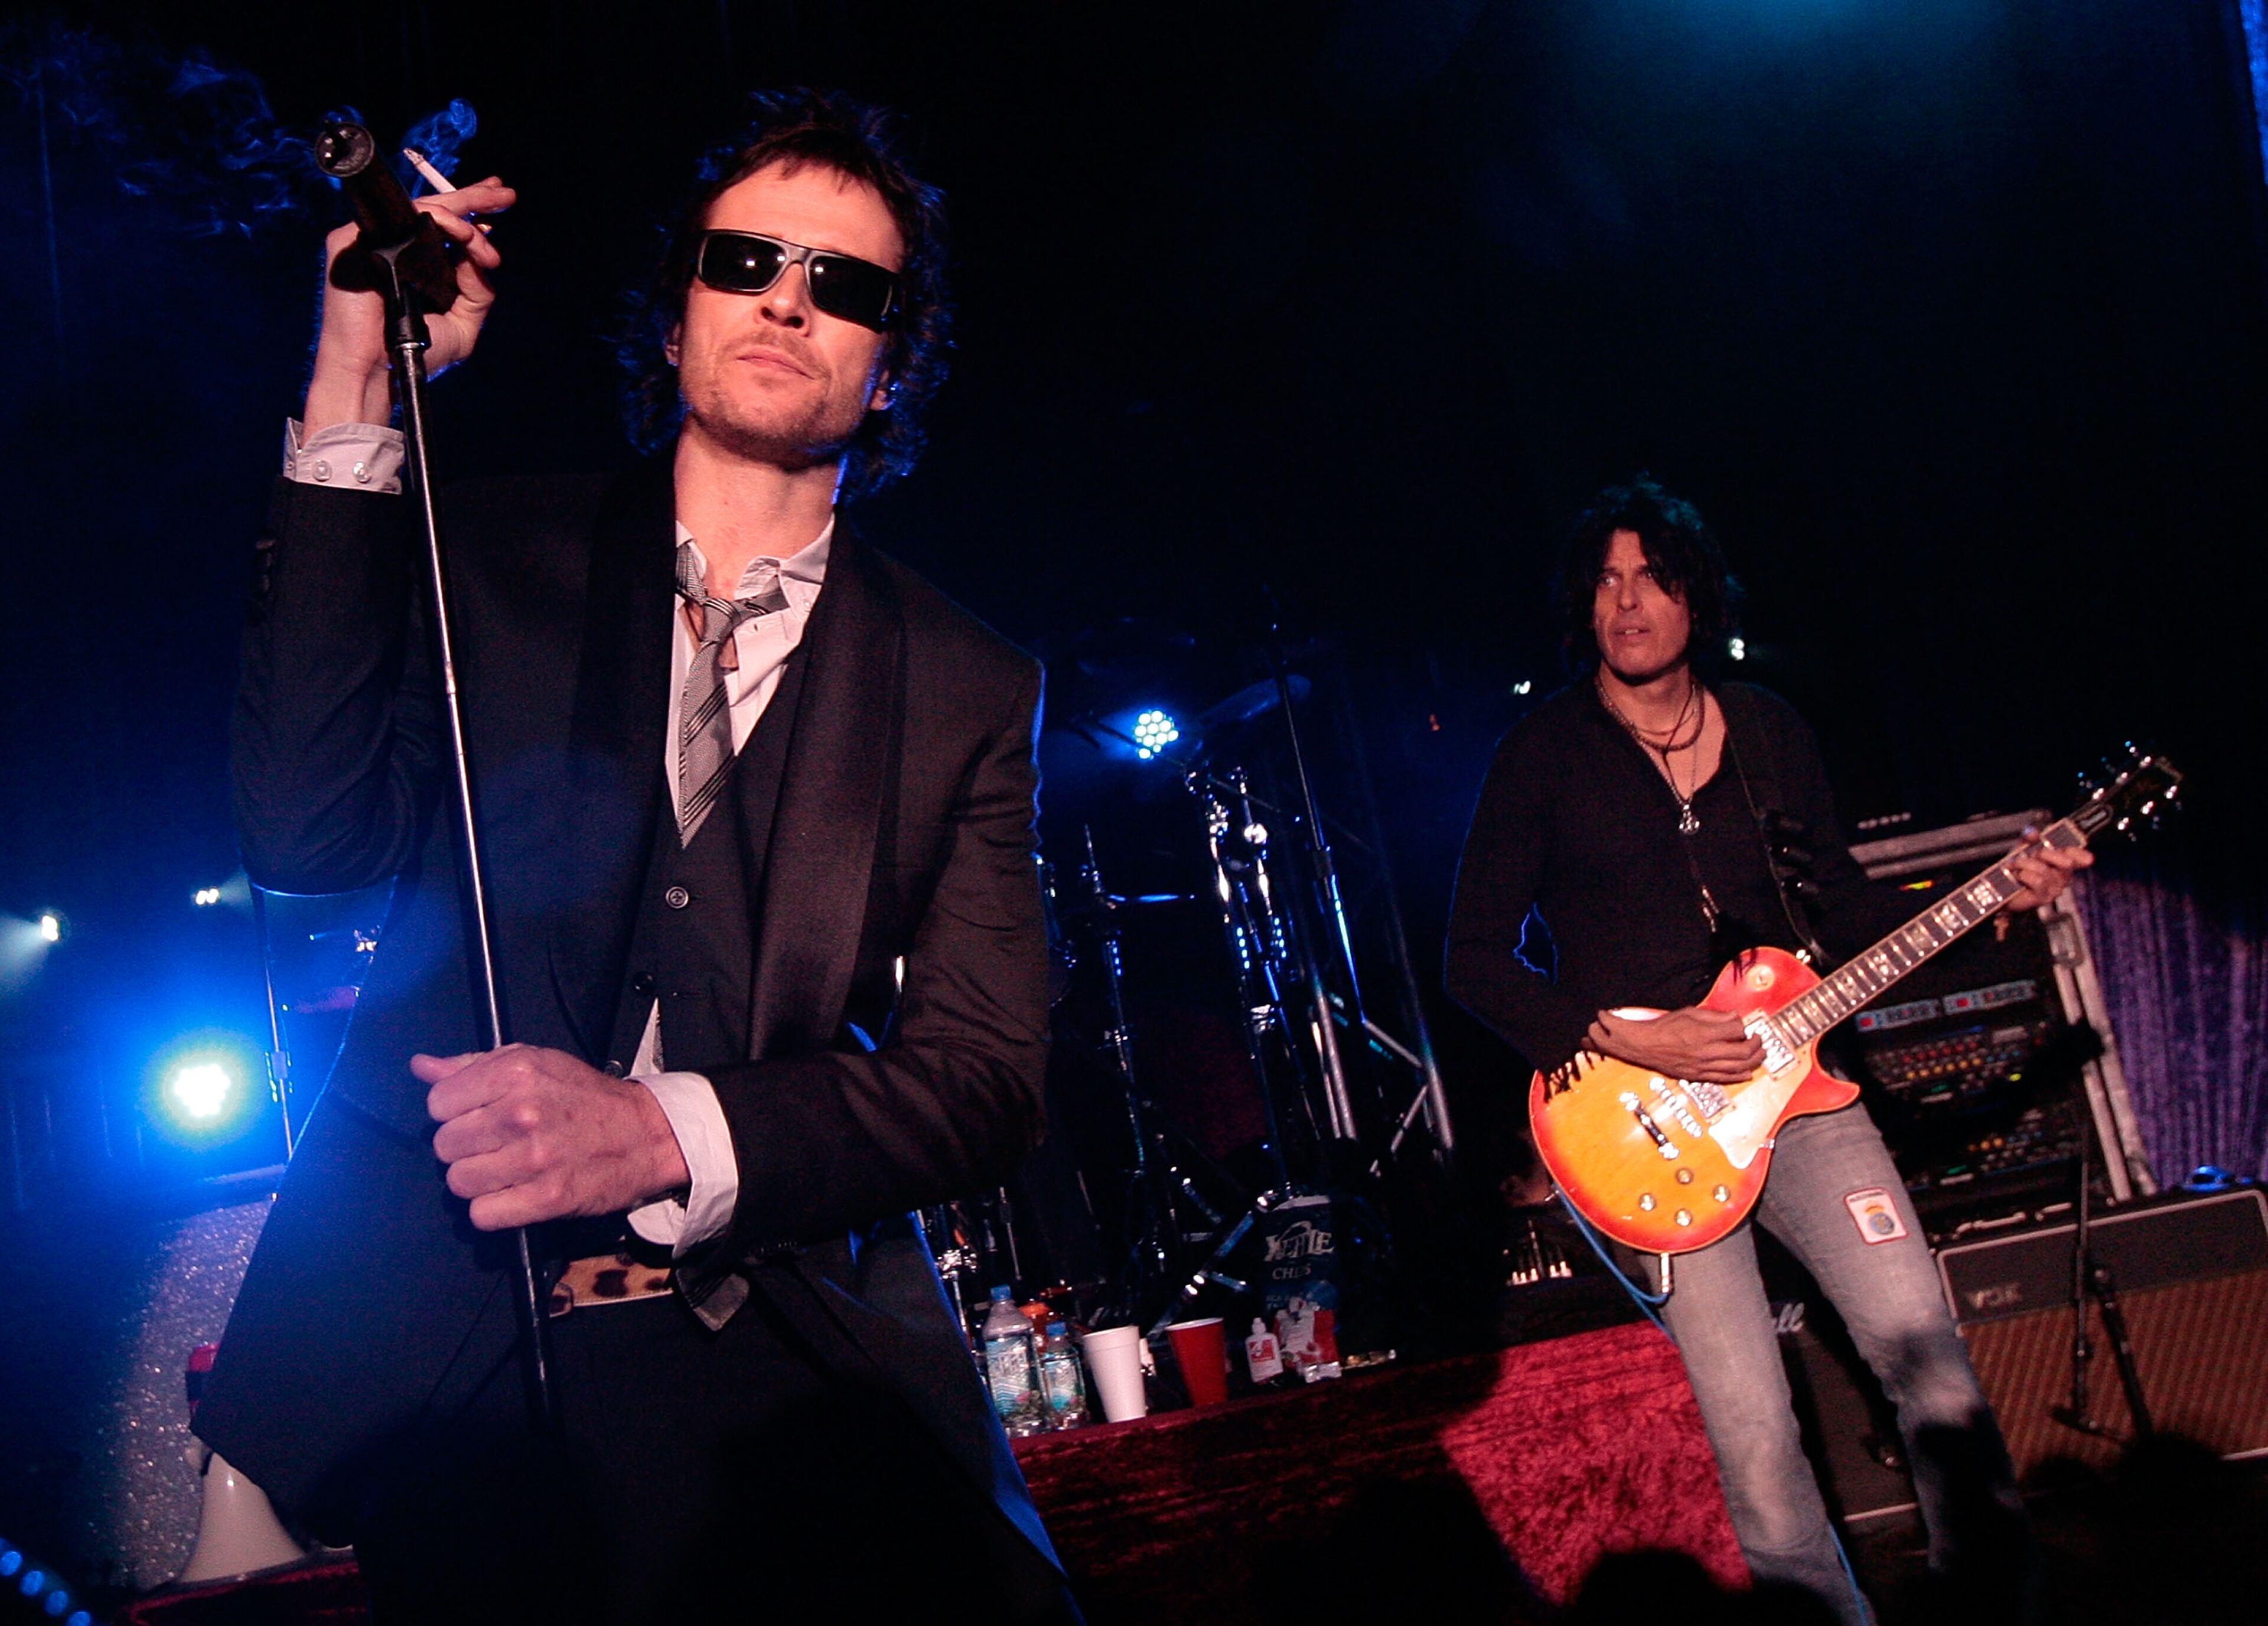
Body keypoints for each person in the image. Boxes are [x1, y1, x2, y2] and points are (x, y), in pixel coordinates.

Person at [194, 91, 1078, 1624]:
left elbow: (984, 1076)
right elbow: (306, 827)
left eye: (846, 284)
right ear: (676, 317)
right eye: (747, 260)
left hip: (784, 1343)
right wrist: (356, 383)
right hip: (440, 1352)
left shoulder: (966, 683)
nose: (790, 299)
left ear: (892, 366)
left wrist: (673, 1132)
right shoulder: (485, 552)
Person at [1445, 478, 2083, 1625]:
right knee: (1754, 1427)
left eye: (1653, 578)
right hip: (1640, 1125)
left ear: (1697, 594)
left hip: (1803, 1094)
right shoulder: (1541, 756)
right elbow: (1474, 961)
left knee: (1925, 1354)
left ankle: (1997, 1603)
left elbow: (1835, 908)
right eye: (1605, 582)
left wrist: (1998, 898)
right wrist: (1618, 1030)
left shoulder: (1771, 730)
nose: (1629, 603)